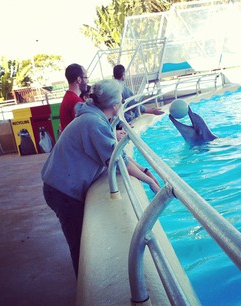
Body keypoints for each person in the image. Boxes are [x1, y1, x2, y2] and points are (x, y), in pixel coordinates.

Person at [41, 79, 160, 278]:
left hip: (59, 186)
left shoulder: (94, 118)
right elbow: (118, 163)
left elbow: (117, 154)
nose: (123, 102)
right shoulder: (94, 123)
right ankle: (85, 288)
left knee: (80, 241)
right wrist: (149, 181)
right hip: (61, 191)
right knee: (79, 245)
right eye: (121, 99)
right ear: (115, 105)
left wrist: (146, 171)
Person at [59, 63, 89, 131]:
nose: (88, 81)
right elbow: (84, 129)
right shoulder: (75, 101)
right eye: (86, 78)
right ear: (79, 79)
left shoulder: (68, 97)